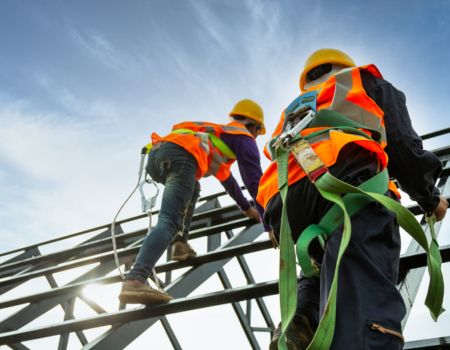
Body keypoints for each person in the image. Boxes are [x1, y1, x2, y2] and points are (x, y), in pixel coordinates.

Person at [256, 49, 448, 349]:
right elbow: (403, 146)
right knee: (363, 287)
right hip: (347, 176)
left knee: (320, 264)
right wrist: (430, 198)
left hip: (283, 201)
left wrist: (271, 224)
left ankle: (299, 322)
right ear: (345, 65)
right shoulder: (362, 80)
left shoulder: (294, 110)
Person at [119, 99, 267, 305]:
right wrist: (267, 217)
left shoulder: (214, 136)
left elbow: (229, 181)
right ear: (254, 126)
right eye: (257, 133)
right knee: (168, 221)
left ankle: (180, 243)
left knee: (193, 187)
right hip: (182, 158)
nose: (255, 138)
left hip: (158, 156)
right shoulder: (242, 137)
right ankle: (136, 279)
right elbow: (254, 181)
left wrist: (245, 207)